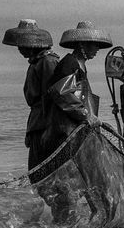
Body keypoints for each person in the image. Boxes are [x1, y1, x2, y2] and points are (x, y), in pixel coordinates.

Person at [44, 21, 112, 154]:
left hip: (76, 127)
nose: (97, 49)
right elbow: (61, 93)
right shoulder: (69, 64)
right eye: (94, 44)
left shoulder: (81, 65)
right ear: (82, 44)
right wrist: (86, 115)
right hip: (65, 131)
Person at [2, 19, 60, 170]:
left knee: (43, 171)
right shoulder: (37, 63)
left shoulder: (47, 62)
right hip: (38, 124)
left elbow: (52, 98)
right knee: (37, 171)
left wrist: (49, 129)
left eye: (23, 45)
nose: (20, 49)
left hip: (44, 125)